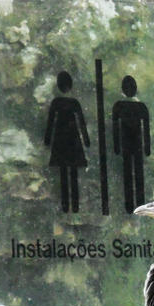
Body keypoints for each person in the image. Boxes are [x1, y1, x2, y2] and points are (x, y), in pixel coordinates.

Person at [44, 71, 90, 213]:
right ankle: (73, 205)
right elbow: (81, 123)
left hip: (61, 137)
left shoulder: (57, 102)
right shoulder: (73, 103)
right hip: (71, 137)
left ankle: (68, 205)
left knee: (65, 172)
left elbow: (51, 121)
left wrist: (47, 139)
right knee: (72, 173)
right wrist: (86, 140)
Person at [112, 75, 151, 214]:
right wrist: (147, 147)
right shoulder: (141, 107)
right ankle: (139, 205)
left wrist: (116, 147)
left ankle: (131, 206)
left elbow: (115, 128)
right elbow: (145, 129)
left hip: (127, 145)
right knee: (137, 173)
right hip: (136, 144)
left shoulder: (118, 106)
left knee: (128, 173)